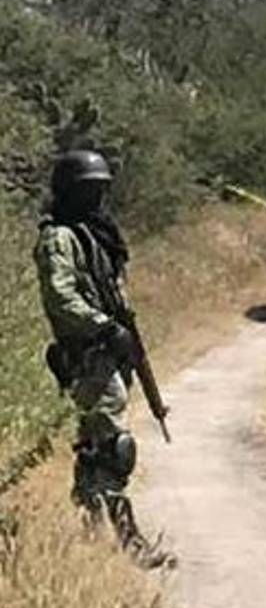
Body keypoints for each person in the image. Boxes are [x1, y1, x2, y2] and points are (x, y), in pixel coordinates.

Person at [33, 149, 173, 569]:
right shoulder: (59, 238)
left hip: (109, 352)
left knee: (96, 450)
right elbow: (60, 298)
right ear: (70, 191)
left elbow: (113, 294)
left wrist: (123, 335)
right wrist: (105, 327)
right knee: (114, 448)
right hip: (87, 354)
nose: (96, 198)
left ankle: (91, 541)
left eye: (101, 189)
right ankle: (128, 542)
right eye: (88, 190)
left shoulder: (95, 234)